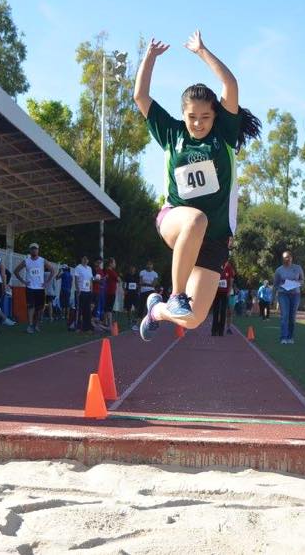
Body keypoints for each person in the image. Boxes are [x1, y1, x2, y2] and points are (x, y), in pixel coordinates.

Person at [133, 30, 261, 341]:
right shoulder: (172, 133)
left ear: (215, 116)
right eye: (192, 117)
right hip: (176, 221)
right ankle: (176, 294)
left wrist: (202, 51)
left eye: (205, 117)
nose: (198, 123)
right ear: (183, 114)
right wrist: (149, 57)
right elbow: (141, 97)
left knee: (190, 320)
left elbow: (229, 85)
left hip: (214, 240)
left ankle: (157, 309)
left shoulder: (224, 135)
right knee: (195, 218)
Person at [14, 243, 55, 334]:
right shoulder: (26, 261)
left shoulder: (42, 260)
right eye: (32, 249)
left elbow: (53, 270)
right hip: (30, 287)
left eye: (35, 249)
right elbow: (16, 271)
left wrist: (47, 282)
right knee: (30, 307)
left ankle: (36, 325)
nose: (34, 250)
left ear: (38, 250)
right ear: (30, 250)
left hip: (40, 288)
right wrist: (23, 281)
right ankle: (30, 325)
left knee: (40, 308)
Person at [274, 251, 304, 344]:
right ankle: (283, 337)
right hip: (283, 294)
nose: (287, 259)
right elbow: (276, 284)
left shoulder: (298, 268)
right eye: (285, 257)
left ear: (291, 257)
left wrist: (296, 283)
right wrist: (283, 285)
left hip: (295, 294)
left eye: (288, 257)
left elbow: (302, 280)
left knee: (292, 316)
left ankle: (290, 337)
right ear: (282, 259)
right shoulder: (279, 270)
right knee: (285, 315)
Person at [211, 257, 234, 337]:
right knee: (216, 311)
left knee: (223, 311)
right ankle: (214, 330)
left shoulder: (229, 267)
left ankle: (221, 331)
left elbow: (231, 280)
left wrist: (229, 291)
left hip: (225, 293)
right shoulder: (216, 265)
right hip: (216, 292)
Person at [73, 255, 94, 333]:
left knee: (87, 310)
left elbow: (91, 280)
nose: (85, 260)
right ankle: (77, 327)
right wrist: (78, 290)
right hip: (81, 291)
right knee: (79, 309)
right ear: (81, 259)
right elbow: (76, 279)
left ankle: (87, 327)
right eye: (84, 258)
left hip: (88, 291)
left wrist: (91, 289)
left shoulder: (89, 268)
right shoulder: (78, 268)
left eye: (87, 259)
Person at [103, 257, 120, 330]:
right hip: (111, 292)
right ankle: (109, 325)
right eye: (114, 263)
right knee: (109, 308)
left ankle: (106, 323)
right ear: (110, 263)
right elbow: (118, 279)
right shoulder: (111, 271)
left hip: (107, 291)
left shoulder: (106, 271)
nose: (115, 264)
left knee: (107, 308)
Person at [57, 263, 74, 329]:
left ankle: (62, 315)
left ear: (63, 269)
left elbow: (56, 278)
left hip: (63, 290)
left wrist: (59, 271)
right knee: (67, 303)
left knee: (62, 303)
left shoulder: (63, 274)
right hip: (68, 290)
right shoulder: (70, 275)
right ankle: (67, 316)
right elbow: (71, 283)